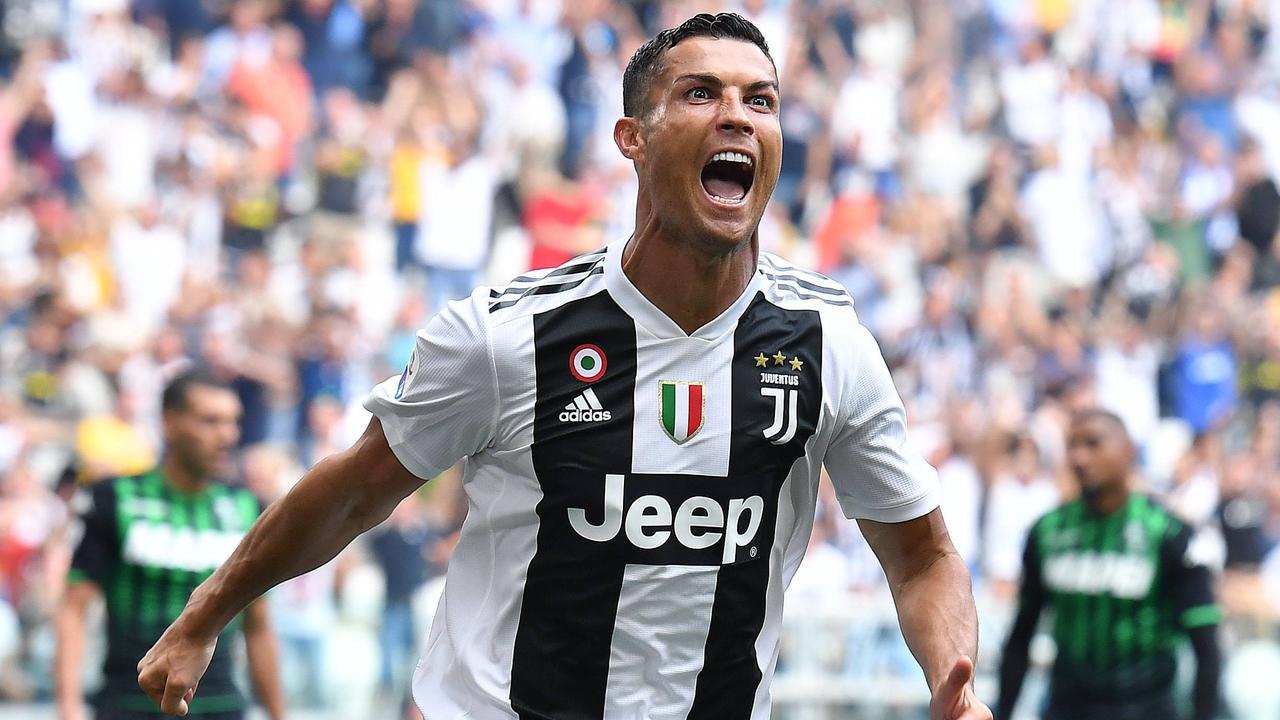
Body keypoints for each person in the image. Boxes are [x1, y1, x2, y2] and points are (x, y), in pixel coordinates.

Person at [138, 14, 991, 720]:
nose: (738, 115)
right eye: (701, 93)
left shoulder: (828, 345)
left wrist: (953, 682)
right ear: (633, 137)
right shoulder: (509, 336)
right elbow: (359, 488)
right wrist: (209, 610)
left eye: (760, 100)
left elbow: (921, 556)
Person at [55, 371, 285, 720]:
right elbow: (74, 609)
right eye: (210, 421)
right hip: (128, 705)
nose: (227, 436)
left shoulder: (249, 508)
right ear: (169, 423)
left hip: (219, 706)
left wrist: (278, 714)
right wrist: (68, 707)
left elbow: (259, 625)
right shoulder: (114, 498)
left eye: (233, 422)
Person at [996, 409, 1222, 720]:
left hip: (1146, 707)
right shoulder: (1047, 532)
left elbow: (1207, 648)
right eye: (1072, 446)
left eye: (1093, 444)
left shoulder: (1169, 533)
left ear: (1128, 450)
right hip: (1067, 706)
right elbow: (1021, 635)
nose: (1079, 457)